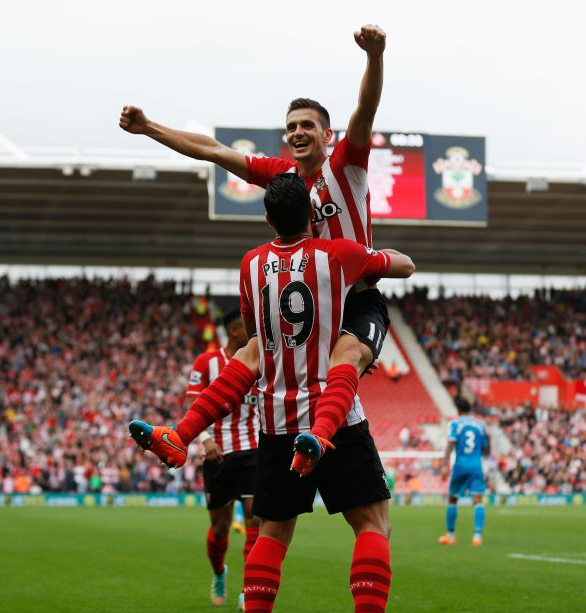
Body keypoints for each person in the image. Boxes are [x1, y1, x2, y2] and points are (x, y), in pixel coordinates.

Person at [130, 173, 417, 613]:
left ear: (267, 219)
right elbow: (404, 266)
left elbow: (253, 339)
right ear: (313, 214)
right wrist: (377, 256)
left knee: (272, 534)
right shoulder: (338, 255)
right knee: (373, 524)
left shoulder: (251, 263)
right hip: (334, 416)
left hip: (276, 420)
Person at [118, 25, 390, 472]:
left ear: (328, 136)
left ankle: (318, 439)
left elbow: (366, 108)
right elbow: (213, 150)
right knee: (249, 353)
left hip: (354, 297)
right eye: (291, 127)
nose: (298, 132)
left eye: (307, 126)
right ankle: (179, 436)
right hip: (309, 299)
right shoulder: (283, 177)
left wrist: (375, 56)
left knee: (341, 356)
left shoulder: (347, 165)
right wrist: (149, 128)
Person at [186, 309, 261, 610]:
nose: (255, 332)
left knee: (255, 518)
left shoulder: (262, 359)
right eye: (248, 327)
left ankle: (248, 589)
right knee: (220, 529)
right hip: (217, 453)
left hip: (253, 449)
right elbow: (193, 401)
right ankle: (219, 573)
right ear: (233, 331)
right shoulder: (207, 362)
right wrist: (205, 439)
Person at [439, 397, 490, 546]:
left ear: (459, 410)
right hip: (476, 465)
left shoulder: (455, 424)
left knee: (453, 499)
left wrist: (444, 465)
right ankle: (477, 536)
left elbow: (450, 444)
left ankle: (451, 535)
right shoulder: (481, 424)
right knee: (478, 500)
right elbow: (486, 447)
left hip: (461, 466)